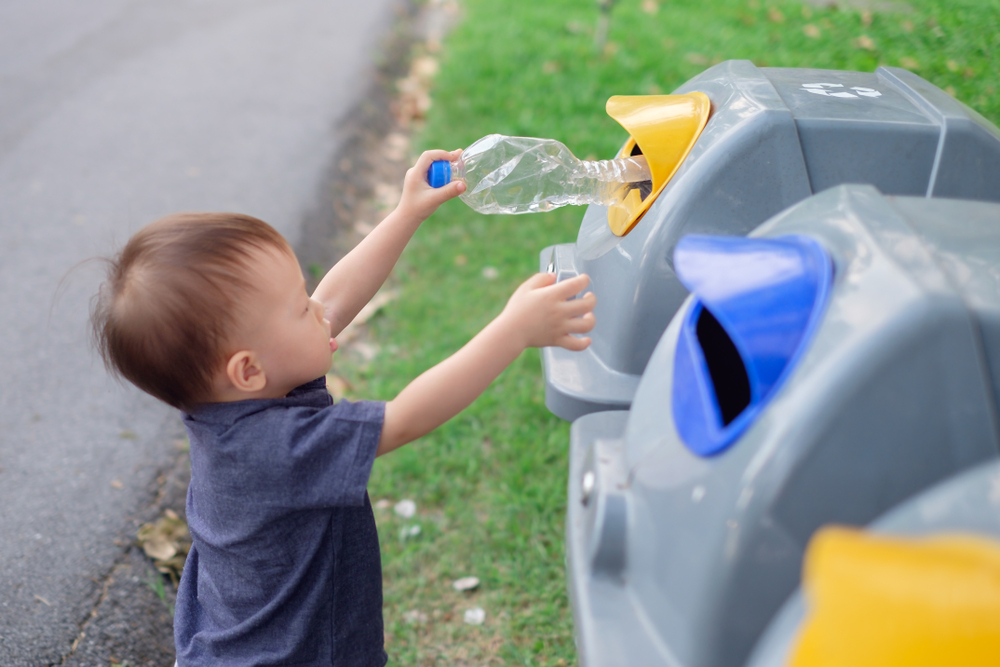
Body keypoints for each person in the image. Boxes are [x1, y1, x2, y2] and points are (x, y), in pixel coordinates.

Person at [90, 149, 596, 666]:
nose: (318, 308)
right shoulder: (274, 448)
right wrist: (514, 331)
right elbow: (405, 419)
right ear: (247, 370)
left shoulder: (232, 399)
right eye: (299, 307)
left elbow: (331, 301)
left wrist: (406, 213)